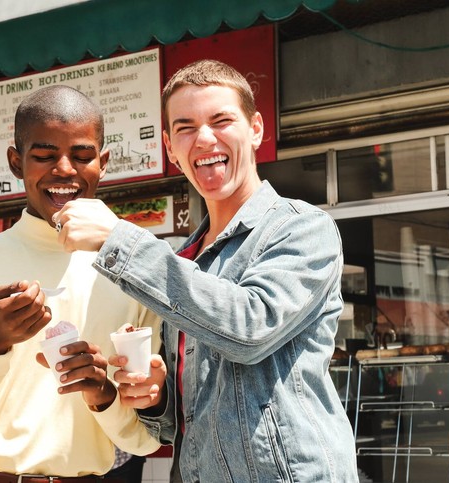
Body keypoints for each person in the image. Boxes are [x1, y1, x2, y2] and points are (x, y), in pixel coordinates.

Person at [53, 60, 359, 482]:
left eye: (221, 120)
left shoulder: (302, 228)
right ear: (170, 148)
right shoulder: (183, 261)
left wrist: (118, 239)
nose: (205, 138)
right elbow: (189, 424)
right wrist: (157, 398)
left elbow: (248, 329)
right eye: (185, 127)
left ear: (255, 129)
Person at [0, 85, 161, 483]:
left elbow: (145, 439)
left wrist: (103, 393)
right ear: (16, 162)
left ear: (104, 162)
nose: (64, 169)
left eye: (82, 156)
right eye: (44, 156)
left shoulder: (134, 269)